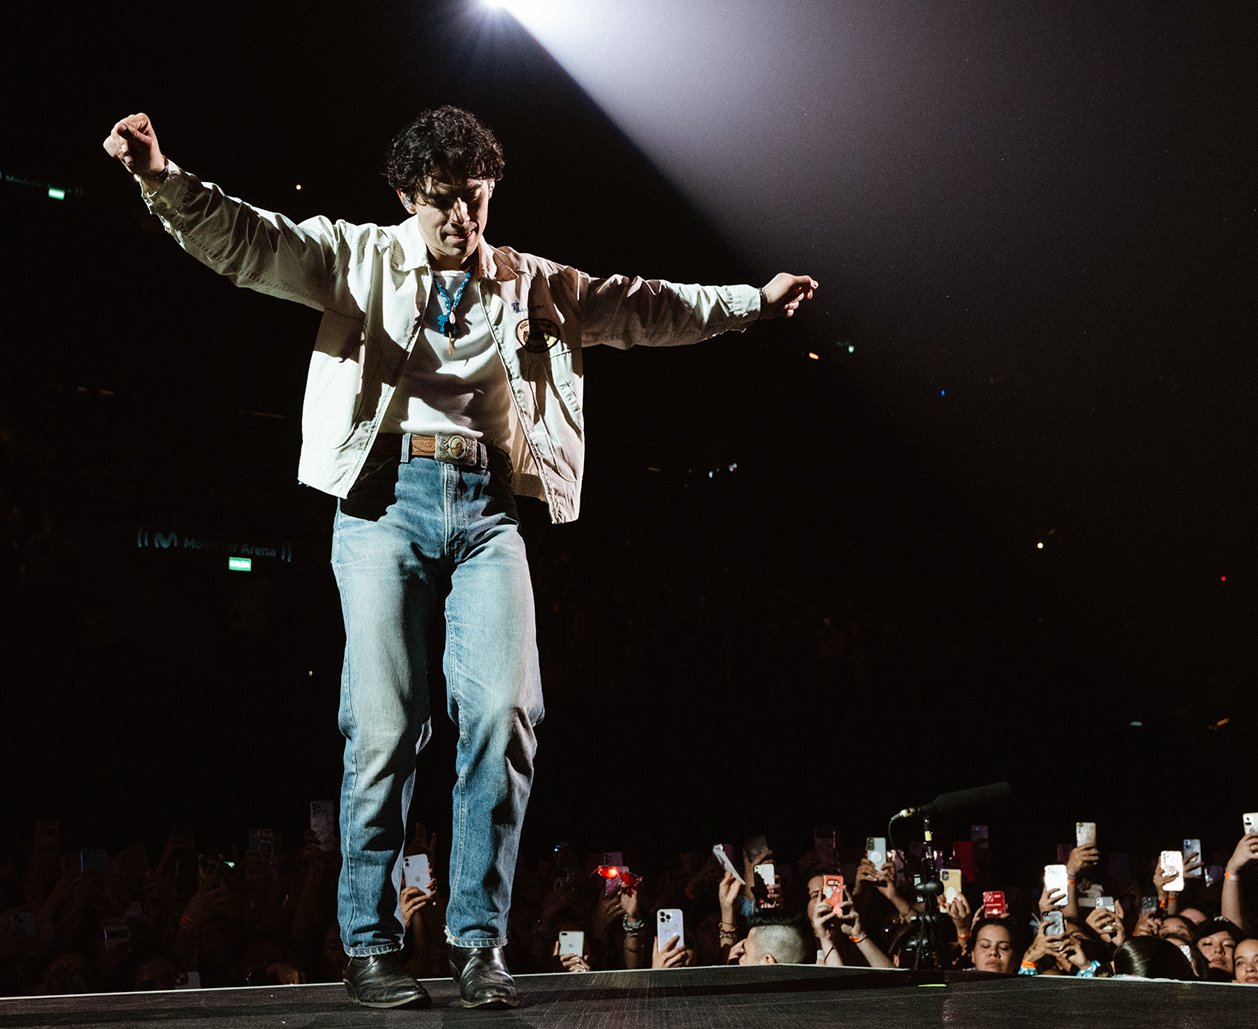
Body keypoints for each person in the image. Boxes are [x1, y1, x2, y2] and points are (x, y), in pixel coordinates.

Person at [101, 107, 817, 1009]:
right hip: (383, 504)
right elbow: (250, 241)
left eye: (475, 198)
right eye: (443, 199)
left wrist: (752, 302)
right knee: (385, 727)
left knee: (506, 717)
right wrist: (161, 177)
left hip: (488, 512)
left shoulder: (532, 283)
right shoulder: (356, 255)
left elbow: (643, 305)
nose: (462, 217)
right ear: (409, 195)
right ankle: (370, 945)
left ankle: (478, 944)